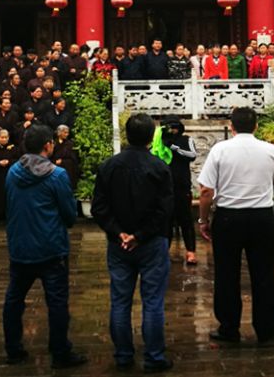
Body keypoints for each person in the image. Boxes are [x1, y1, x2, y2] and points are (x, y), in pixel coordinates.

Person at [91, 114, 175, 372]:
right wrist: (139, 235)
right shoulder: (159, 167)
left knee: (120, 300)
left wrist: (120, 234)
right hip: (150, 243)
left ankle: (124, 355)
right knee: (152, 302)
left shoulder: (109, 166)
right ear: (152, 136)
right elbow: (165, 211)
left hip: (119, 244)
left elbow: (99, 208)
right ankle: (153, 357)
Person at [2, 125, 86, 368]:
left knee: (14, 299)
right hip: (51, 248)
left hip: (20, 247)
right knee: (57, 302)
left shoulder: (13, 172)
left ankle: (13, 348)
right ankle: (60, 352)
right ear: (48, 145)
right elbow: (69, 215)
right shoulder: (57, 175)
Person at [197, 107, 274, 347]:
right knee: (264, 274)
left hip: (228, 218)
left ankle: (229, 327)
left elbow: (206, 191)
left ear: (231, 126)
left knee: (226, 274)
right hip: (261, 217)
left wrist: (203, 220)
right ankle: (265, 329)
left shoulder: (220, 150)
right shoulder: (269, 150)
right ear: (256, 126)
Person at [162, 119, 199, 265]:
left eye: (175, 128)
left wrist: (174, 148)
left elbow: (192, 155)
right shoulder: (160, 141)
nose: (173, 131)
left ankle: (191, 252)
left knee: (186, 220)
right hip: (164, 188)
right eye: (170, 128)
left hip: (182, 187)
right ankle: (164, 252)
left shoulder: (186, 140)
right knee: (165, 222)